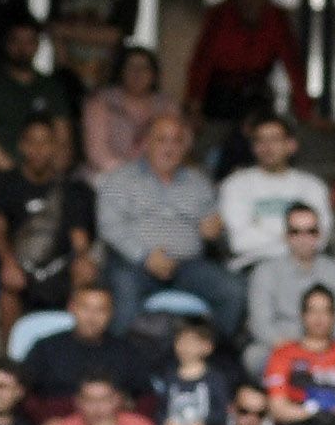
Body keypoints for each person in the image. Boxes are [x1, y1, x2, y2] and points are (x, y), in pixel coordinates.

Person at [100, 113, 246, 337]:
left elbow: (216, 230)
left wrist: (217, 232)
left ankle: (211, 359)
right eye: (161, 140)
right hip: (134, 264)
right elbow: (109, 227)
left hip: (188, 266)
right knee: (123, 289)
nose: (170, 148)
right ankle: (123, 364)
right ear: (146, 142)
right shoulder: (120, 179)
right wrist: (144, 256)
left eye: (177, 141)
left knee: (232, 290)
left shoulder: (199, 182)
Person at [185, 0, 312, 149]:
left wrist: (305, 111)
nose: (251, 3)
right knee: (215, 137)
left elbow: (293, 67)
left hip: (256, 92)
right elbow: (201, 64)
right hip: (219, 92)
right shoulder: (219, 16)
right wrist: (194, 106)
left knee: (259, 128)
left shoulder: (277, 19)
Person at [0, 115, 101, 317]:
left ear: (55, 147)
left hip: (60, 265)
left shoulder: (73, 189)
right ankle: (10, 349)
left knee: (85, 272)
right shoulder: (5, 184)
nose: (39, 149)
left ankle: (73, 344)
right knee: (8, 282)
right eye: (32, 142)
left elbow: (79, 238)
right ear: (22, 146)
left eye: (45, 142)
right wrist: (8, 261)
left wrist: (83, 259)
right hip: (19, 264)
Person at [242, 202, 335, 379]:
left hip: (327, 348)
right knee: (253, 355)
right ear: (286, 236)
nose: (304, 238)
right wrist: (296, 351)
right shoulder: (266, 271)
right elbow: (260, 324)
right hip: (281, 348)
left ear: (320, 235)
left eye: (311, 231)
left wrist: (325, 351)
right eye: (296, 231)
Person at [0, 15, 72, 195]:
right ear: (6, 43)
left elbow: (63, 140)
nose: (22, 48)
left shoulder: (51, 87)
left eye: (29, 41)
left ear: (37, 45)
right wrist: (19, 179)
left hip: (44, 176)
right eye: (16, 41)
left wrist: (49, 177)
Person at [20, 279, 162, 418]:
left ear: (111, 313)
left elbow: (147, 398)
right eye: (85, 308)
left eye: (100, 310)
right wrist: (43, 421)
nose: (91, 317)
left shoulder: (127, 351)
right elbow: (22, 392)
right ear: (71, 308)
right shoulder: (45, 348)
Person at [217, 115, 332, 276]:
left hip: (306, 267)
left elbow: (320, 239)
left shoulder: (313, 187)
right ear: (253, 147)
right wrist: (293, 236)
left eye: (275, 139)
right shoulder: (234, 185)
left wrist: (260, 228)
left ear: (291, 145)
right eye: (260, 140)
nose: (267, 146)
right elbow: (240, 242)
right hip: (252, 267)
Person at [260, 284, 335, 425]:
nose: (319, 318)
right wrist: (317, 412)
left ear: (334, 315)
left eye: (325, 311)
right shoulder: (283, 354)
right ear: (303, 315)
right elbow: (277, 408)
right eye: (313, 311)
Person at [82, 46, 177, 179]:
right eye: (131, 67)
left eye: (144, 68)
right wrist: (131, 178)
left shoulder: (167, 106)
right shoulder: (100, 102)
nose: (137, 73)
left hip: (156, 178)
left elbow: (177, 148)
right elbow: (97, 154)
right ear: (121, 71)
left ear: (154, 74)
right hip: (106, 177)